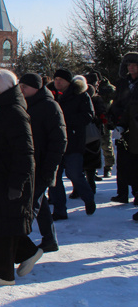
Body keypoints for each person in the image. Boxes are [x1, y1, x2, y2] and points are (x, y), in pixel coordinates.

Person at [0, 69, 39, 286]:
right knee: (1, 221)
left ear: (2, 87)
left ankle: (3, 273)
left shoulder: (14, 112)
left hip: (7, 179)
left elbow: (25, 153)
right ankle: (28, 251)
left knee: (2, 224)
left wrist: (17, 183)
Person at [19, 73, 67, 252]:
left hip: (44, 164)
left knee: (30, 204)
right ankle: (50, 239)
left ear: (37, 88)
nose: (22, 90)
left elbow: (59, 140)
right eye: (20, 86)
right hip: (30, 163)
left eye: (25, 86)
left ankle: (18, 241)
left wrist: (51, 167)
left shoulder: (50, 106)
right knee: (40, 202)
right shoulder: (24, 104)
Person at [48, 69, 96, 218]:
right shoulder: (50, 95)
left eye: (61, 79)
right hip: (55, 142)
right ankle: (59, 210)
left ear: (69, 82)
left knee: (74, 174)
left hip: (74, 141)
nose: (58, 82)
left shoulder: (80, 95)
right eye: (56, 79)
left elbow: (88, 115)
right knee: (54, 177)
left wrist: (66, 122)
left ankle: (88, 198)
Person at [108, 52, 138, 220]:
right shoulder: (123, 83)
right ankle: (123, 192)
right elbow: (118, 103)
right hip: (125, 127)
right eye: (128, 65)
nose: (131, 67)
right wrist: (115, 120)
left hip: (135, 128)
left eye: (134, 64)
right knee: (125, 163)